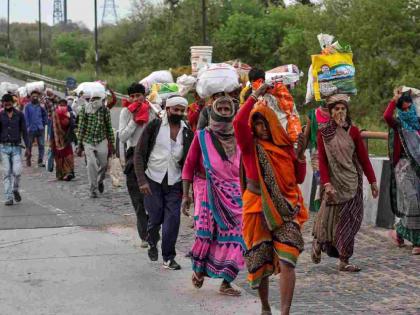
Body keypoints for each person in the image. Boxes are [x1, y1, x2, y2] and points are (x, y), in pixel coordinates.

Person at [233, 83, 308, 315]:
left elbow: (299, 177)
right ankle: (265, 307)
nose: (260, 128)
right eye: (256, 124)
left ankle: (284, 311)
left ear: (273, 125)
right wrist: (255, 96)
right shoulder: (249, 147)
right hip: (256, 208)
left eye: (264, 123)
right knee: (261, 262)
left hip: (286, 208)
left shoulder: (285, 149)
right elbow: (237, 123)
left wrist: (301, 155)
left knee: (288, 259)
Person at [181, 96, 245, 296]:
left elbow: (245, 167)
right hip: (205, 188)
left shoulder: (240, 137)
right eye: (222, 108)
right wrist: (186, 195)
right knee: (206, 232)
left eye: (228, 109)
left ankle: (226, 281)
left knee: (237, 235)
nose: (225, 111)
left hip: (233, 192)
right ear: (215, 112)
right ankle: (199, 269)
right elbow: (189, 165)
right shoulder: (201, 136)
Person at [312, 94, 379, 271]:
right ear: (331, 112)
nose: (340, 112)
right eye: (336, 109)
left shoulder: (354, 131)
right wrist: (326, 183)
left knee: (352, 219)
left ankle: (343, 258)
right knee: (330, 219)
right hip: (333, 182)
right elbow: (323, 161)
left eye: (343, 109)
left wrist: (372, 181)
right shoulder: (324, 132)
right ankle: (323, 244)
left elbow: (363, 158)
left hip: (352, 180)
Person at [134, 95, 193, 270]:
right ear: (168, 109)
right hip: (152, 179)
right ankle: (152, 239)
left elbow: (189, 161)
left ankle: (169, 257)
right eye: (175, 109)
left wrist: (188, 190)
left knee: (173, 220)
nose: (179, 113)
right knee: (156, 216)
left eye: (182, 110)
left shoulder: (187, 131)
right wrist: (142, 181)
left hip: (175, 181)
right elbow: (139, 154)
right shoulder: (155, 126)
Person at [118, 83, 155, 247]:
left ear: (144, 96)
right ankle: (144, 235)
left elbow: (156, 132)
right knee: (138, 198)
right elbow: (123, 137)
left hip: (151, 155)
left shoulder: (152, 110)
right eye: (132, 96)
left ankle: (153, 227)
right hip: (133, 155)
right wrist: (135, 120)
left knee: (153, 195)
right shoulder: (125, 112)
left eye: (138, 96)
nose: (135, 99)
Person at [384, 88, 420, 255]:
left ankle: (399, 232)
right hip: (404, 167)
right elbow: (386, 116)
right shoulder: (398, 123)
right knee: (412, 200)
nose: (407, 110)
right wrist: (394, 99)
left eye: (409, 107)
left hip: (417, 167)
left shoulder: (418, 123)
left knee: (415, 201)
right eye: (403, 108)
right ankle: (416, 242)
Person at [76, 92, 115, 198]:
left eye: (98, 99)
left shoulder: (105, 110)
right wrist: (79, 146)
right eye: (94, 99)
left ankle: (100, 181)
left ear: (102, 100)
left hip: (101, 140)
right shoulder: (85, 109)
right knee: (91, 164)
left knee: (104, 164)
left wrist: (112, 143)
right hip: (88, 141)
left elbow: (109, 127)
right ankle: (93, 189)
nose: (95, 101)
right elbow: (81, 128)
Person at [0, 94, 29, 205]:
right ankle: (9, 197)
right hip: (3, 148)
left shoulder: (20, 115)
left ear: (13, 103)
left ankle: (15, 189)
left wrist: (28, 148)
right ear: (3, 103)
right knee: (6, 173)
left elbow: (25, 132)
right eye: (5, 102)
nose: (7, 104)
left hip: (16, 147)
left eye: (9, 102)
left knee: (17, 172)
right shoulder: (0, 115)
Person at [303, 103, 330, 211]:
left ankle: (329, 213)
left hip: (333, 153)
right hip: (317, 154)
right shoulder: (313, 114)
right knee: (322, 183)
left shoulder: (337, 111)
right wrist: (300, 155)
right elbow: (306, 136)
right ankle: (322, 212)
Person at [50, 99, 76, 181]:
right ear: (58, 106)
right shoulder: (55, 115)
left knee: (68, 156)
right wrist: (51, 141)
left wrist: (69, 119)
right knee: (59, 158)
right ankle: (61, 174)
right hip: (56, 140)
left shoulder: (69, 114)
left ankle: (69, 173)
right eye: (61, 105)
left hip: (66, 139)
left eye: (64, 105)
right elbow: (52, 128)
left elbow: (73, 126)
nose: (62, 107)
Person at [24, 90, 48, 167]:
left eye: (36, 97)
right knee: (29, 145)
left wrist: (44, 123)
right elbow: (25, 117)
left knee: (41, 145)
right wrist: (27, 127)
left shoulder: (41, 106)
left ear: (38, 97)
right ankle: (28, 158)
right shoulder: (27, 106)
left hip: (40, 128)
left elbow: (45, 115)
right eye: (33, 96)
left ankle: (40, 161)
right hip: (30, 129)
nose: (35, 98)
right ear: (30, 97)